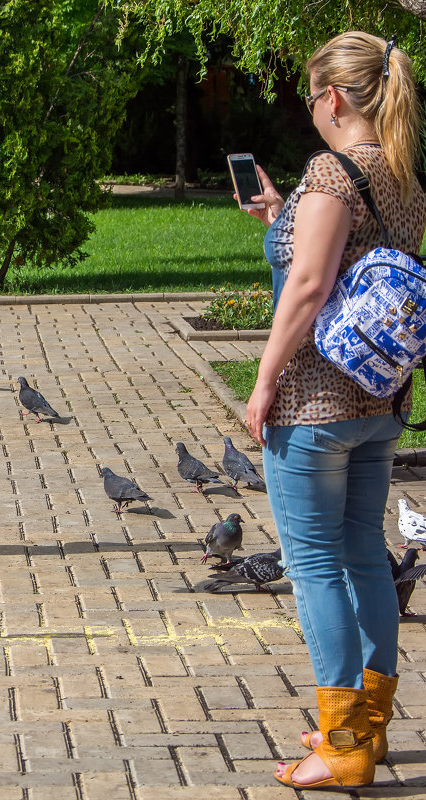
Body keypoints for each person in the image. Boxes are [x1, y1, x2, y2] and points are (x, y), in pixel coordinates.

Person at [243, 33, 426, 789]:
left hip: (315, 402)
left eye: (312, 97)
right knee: (362, 559)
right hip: (380, 401)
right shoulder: (404, 171)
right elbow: (348, 260)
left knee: (315, 564)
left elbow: (312, 287)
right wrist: (283, 219)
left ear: (334, 98)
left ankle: (343, 745)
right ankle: (364, 730)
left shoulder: (333, 169)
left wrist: (262, 381)